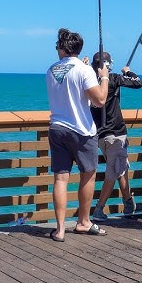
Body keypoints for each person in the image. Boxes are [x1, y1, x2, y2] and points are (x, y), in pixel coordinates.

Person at [45, 28, 109, 242]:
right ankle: (83, 222)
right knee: (88, 173)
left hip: (57, 128)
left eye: (57, 45)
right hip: (82, 130)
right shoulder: (84, 70)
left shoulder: (51, 70)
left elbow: (68, 82)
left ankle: (60, 229)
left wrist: (83, 67)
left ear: (63, 48)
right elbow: (99, 100)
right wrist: (104, 78)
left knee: (61, 179)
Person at [87, 51, 142, 222]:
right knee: (114, 172)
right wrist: (128, 72)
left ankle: (128, 203)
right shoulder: (114, 79)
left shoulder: (89, 81)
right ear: (107, 65)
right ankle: (99, 209)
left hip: (100, 135)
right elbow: (138, 83)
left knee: (120, 168)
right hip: (116, 134)